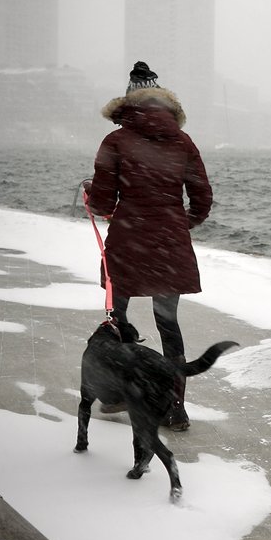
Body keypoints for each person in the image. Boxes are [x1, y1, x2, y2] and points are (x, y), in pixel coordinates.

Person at [86, 61, 213, 432]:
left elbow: (103, 203)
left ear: (128, 103)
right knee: (168, 325)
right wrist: (180, 222)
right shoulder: (183, 141)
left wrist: (93, 195)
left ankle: (118, 394)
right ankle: (176, 408)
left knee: (117, 321)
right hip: (170, 243)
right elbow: (202, 197)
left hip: (128, 241)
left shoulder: (115, 142)